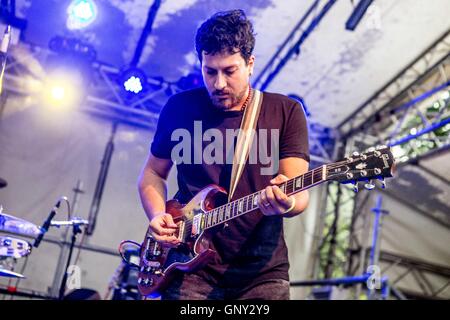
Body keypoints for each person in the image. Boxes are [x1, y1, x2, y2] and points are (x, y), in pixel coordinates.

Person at [138, 9, 310, 300]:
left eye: (229, 71)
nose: (218, 84)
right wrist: (157, 215)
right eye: (210, 71)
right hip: (189, 269)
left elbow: (299, 192)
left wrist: (286, 201)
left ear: (250, 64)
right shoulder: (180, 108)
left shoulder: (285, 112)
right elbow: (153, 173)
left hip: (261, 274)